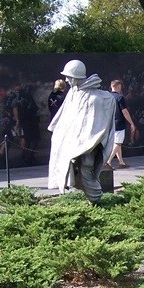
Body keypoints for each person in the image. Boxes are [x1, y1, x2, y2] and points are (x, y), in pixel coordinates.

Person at [46, 59, 116, 202]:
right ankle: (95, 203)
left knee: (86, 171)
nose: (66, 79)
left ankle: (97, 203)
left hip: (88, 145)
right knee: (81, 176)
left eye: (69, 77)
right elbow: (66, 118)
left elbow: (95, 125)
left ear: (76, 77)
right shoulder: (74, 93)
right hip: (75, 144)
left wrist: (86, 144)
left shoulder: (94, 98)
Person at [105, 79, 137, 169]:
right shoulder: (120, 97)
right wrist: (131, 123)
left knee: (117, 143)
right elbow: (125, 111)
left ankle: (121, 162)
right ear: (118, 86)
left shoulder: (107, 96)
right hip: (119, 123)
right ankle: (108, 161)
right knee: (118, 142)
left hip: (110, 123)